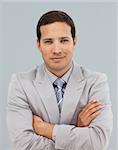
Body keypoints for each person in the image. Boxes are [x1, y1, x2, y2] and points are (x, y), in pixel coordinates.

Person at [7, 10, 113, 150]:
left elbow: (98, 141)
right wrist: (77, 129)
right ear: (38, 44)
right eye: (48, 41)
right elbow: (23, 144)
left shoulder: (96, 82)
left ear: (74, 41)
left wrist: (45, 129)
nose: (57, 50)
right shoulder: (21, 83)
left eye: (63, 40)